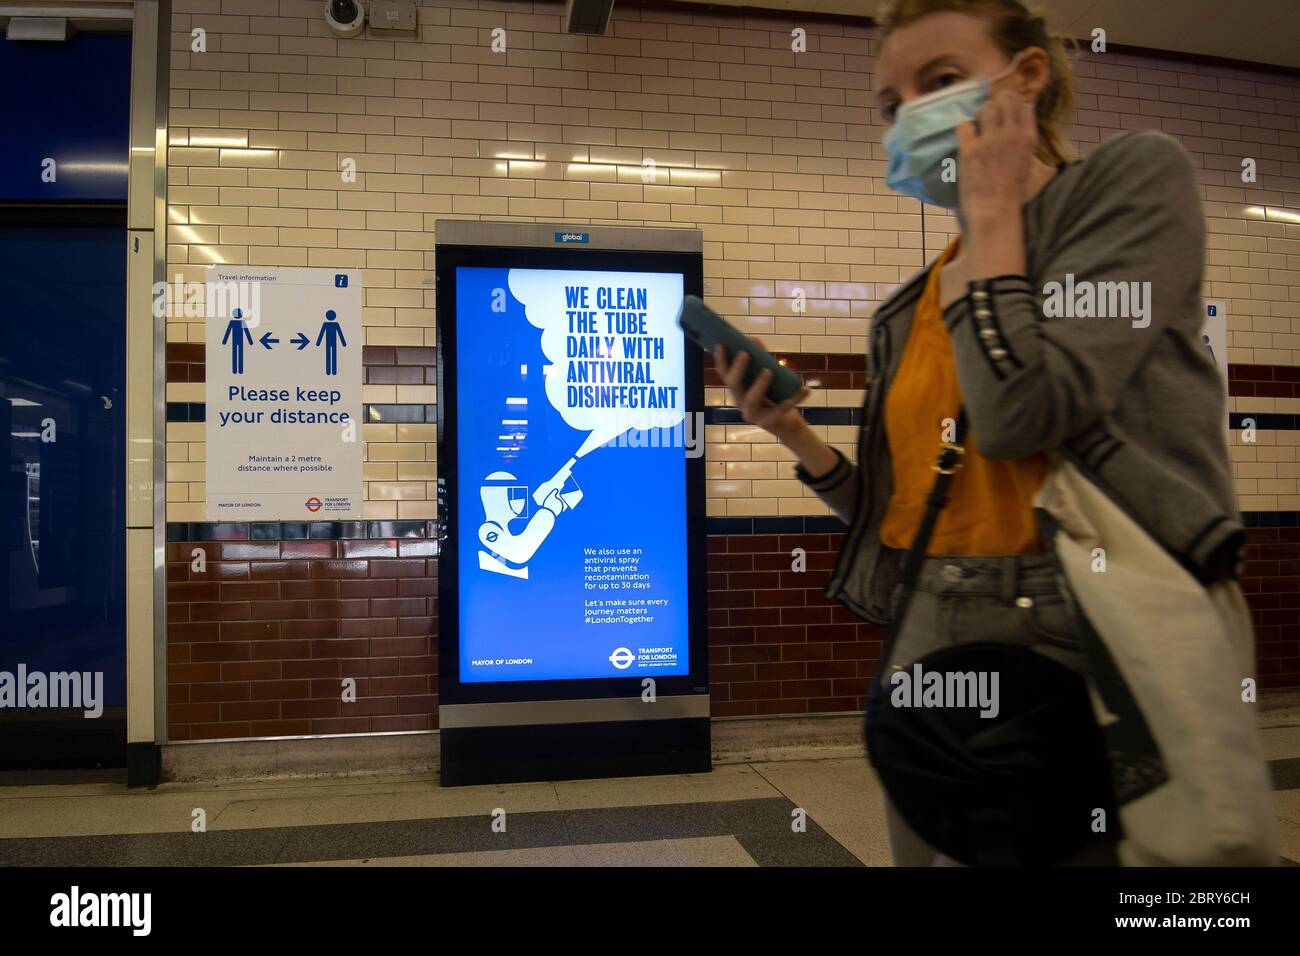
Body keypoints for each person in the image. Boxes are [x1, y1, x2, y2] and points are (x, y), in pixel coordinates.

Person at [713, 0, 1247, 865]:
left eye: (942, 81)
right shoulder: (905, 309)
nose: (910, 116)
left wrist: (993, 220)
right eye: (891, 105)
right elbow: (904, 518)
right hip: (930, 627)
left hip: (1085, 619)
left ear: (1027, 76)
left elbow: (1022, 416)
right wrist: (791, 433)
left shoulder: (1128, 185)